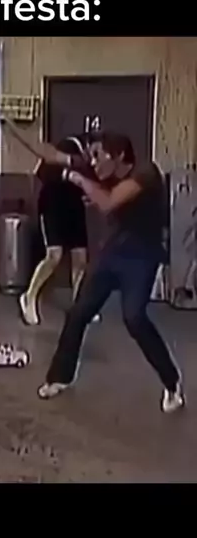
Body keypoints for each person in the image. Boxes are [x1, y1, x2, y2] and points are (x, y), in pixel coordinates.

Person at [36, 131, 184, 415]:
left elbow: (108, 202)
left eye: (98, 155)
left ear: (118, 156)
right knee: (78, 312)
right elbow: (51, 154)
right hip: (112, 253)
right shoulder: (100, 168)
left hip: (141, 257)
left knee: (134, 318)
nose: (93, 162)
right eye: (91, 155)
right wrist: (9, 126)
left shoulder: (146, 173)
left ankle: (172, 384)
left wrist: (75, 178)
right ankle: (60, 377)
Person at [19, 134, 100, 326]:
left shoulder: (94, 164)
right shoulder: (69, 146)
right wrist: (67, 175)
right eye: (95, 152)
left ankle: (79, 305)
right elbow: (43, 172)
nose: (96, 158)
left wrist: (88, 195)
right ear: (88, 145)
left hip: (74, 207)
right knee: (54, 256)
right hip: (53, 205)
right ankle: (29, 297)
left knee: (80, 258)